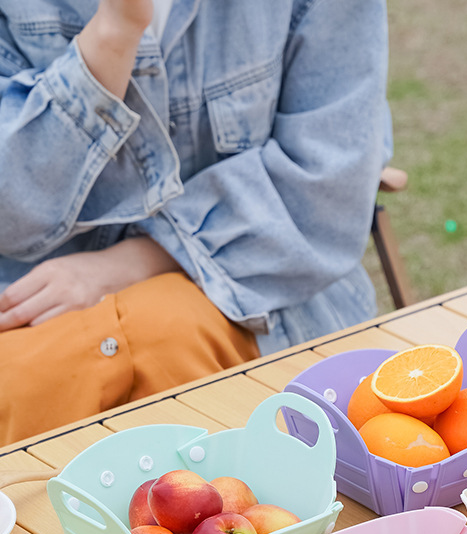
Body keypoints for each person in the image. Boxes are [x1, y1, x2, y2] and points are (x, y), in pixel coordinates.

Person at [0, 0, 390, 444]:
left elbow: (327, 188)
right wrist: (113, 34)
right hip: (31, 318)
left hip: (267, 298)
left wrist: (132, 263)